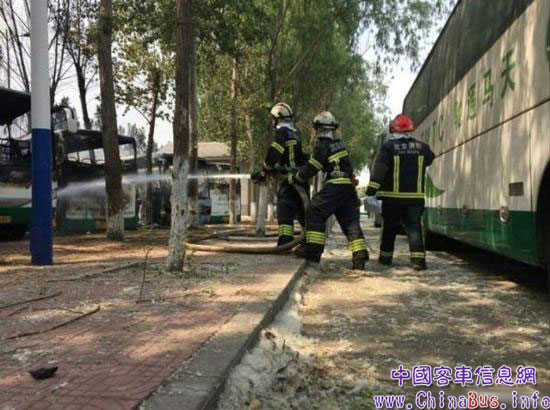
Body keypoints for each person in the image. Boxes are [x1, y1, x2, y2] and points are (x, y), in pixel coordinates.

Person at [289, 111, 369, 270]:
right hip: (347, 187)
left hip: (335, 185)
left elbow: (313, 166)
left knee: (315, 210)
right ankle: (360, 255)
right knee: (350, 221)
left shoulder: (322, 144)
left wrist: (296, 177)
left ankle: (313, 251)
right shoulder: (340, 144)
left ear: (318, 128)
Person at [365, 114, 435, 270]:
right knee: (414, 228)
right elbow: (430, 158)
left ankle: (385, 259)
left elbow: (380, 170)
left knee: (389, 228)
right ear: (410, 129)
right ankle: (418, 262)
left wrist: (371, 190)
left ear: (393, 130)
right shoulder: (422, 147)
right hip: (415, 199)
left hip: (392, 199)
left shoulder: (388, 147)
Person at [251, 102, 309, 245]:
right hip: (300, 180)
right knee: (304, 213)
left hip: (289, 182)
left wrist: (264, 171)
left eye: (273, 118)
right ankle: (308, 244)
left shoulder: (282, 132)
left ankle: (285, 243)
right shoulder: (296, 133)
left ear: (278, 118)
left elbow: (273, 155)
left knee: (284, 210)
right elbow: (296, 157)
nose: (272, 121)